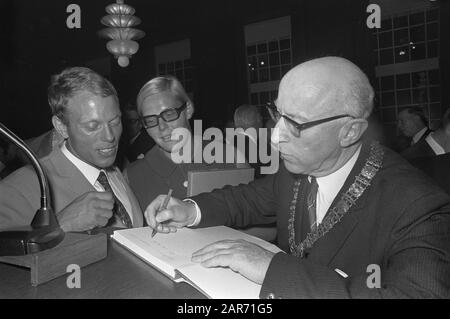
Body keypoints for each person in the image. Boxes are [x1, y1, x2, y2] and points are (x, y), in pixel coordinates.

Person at [144, 57, 450, 298]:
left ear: (350, 131)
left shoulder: (417, 205)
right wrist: (188, 209)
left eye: (296, 124)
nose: (275, 138)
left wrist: (271, 267)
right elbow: (246, 198)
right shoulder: (295, 172)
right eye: (277, 114)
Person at [0, 67, 143, 232]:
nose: (110, 136)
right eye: (92, 126)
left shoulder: (114, 170)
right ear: (61, 127)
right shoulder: (20, 187)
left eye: (115, 121)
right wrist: (60, 225)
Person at [125, 75, 248, 213]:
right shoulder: (133, 176)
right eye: (150, 120)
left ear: (187, 109)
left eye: (169, 114)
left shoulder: (230, 157)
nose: (162, 127)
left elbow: (264, 228)